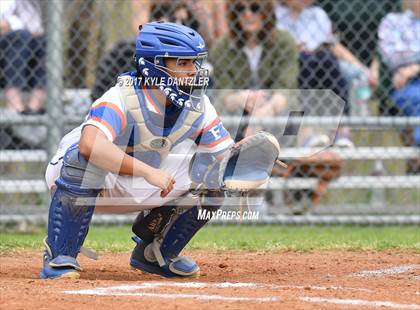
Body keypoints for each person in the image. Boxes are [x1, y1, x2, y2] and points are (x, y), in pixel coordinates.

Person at [40, 21, 276, 279]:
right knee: (82, 159)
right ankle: (60, 253)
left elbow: (224, 160)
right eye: (183, 64)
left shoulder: (200, 105)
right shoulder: (122, 96)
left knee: (212, 175)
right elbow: (90, 145)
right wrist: (148, 172)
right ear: (154, 66)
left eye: (194, 63)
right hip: (85, 179)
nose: (193, 72)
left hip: (142, 181)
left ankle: (155, 254)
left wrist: (243, 167)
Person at [377, 0, 420, 173]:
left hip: (408, 74)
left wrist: (415, 66)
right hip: (405, 85)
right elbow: (393, 57)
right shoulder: (393, 21)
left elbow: (406, 55)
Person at [0, 0, 45, 114]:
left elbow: (35, 28)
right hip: (12, 40)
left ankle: (34, 106)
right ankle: (14, 104)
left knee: (44, 41)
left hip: (22, 41)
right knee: (20, 36)